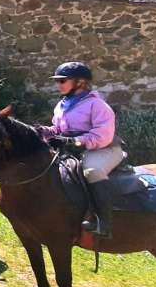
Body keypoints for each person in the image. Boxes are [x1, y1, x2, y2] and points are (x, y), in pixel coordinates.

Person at [35, 61, 125, 238]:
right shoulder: (62, 104)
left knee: (92, 171)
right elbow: (57, 129)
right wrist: (43, 131)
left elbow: (102, 136)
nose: (58, 84)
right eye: (58, 81)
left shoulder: (98, 105)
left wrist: (74, 140)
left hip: (104, 149)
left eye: (62, 81)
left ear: (80, 82)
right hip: (75, 150)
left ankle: (103, 222)